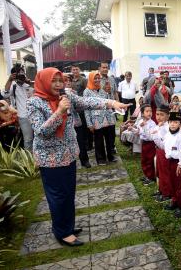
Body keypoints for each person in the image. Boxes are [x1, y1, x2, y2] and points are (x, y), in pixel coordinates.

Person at [27, 67, 129, 246]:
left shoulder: (65, 95)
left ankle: (67, 226)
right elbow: (42, 132)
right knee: (58, 196)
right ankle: (62, 232)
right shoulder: (34, 103)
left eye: (61, 80)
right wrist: (59, 112)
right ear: (43, 82)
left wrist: (112, 103)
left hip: (68, 155)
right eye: (54, 81)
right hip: (50, 160)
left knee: (68, 194)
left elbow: (86, 102)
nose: (59, 84)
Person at [83, 72, 117, 166]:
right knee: (99, 140)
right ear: (90, 79)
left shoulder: (102, 90)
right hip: (96, 120)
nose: (97, 80)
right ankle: (101, 159)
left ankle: (110, 156)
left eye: (98, 78)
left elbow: (109, 101)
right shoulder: (87, 91)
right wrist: (89, 123)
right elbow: (86, 108)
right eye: (95, 78)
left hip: (108, 118)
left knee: (109, 138)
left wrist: (109, 92)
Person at [3, 64, 34, 151]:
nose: (22, 75)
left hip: (35, 114)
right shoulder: (13, 85)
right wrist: (9, 80)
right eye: (19, 74)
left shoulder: (28, 84)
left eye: (23, 73)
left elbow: (39, 92)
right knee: (28, 139)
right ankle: (29, 161)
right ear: (14, 76)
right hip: (24, 116)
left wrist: (29, 82)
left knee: (37, 137)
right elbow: (5, 94)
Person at [64, 74, 91, 168]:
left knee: (81, 141)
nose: (68, 83)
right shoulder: (59, 94)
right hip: (65, 124)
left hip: (76, 121)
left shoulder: (74, 93)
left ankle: (85, 160)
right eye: (65, 81)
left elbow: (79, 108)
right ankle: (69, 163)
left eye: (69, 81)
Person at [164, 112, 181, 217]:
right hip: (170, 161)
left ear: (180, 124)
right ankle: (174, 200)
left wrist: (180, 163)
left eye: (176, 122)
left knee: (178, 184)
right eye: (171, 122)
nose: (172, 124)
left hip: (178, 163)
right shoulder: (168, 134)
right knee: (171, 182)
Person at [71, 64, 93, 151]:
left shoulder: (83, 80)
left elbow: (87, 92)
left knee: (85, 126)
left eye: (76, 69)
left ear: (79, 70)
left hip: (83, 106)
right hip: (74, 107)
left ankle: (89, 144)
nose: (75, 71)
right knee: (79, 127)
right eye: (73, 70)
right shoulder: (71, 81)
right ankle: (82, 144)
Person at [151, 105, 171, 199]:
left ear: (167, 116)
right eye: (157, 114)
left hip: (165, 152)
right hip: (159, 151)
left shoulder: (168, 128)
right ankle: (161, 189)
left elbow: (163, 144)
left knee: (164, 173)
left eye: (162, 115)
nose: (158, 117)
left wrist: (156, 133)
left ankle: (167, 193)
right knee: (159, 171)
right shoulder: (158, 125)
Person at [137, 104, 157, 185]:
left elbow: (150, 136)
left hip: (150, 144)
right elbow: (139, 132)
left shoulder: (152, 123)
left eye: (150, 111)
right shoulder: (141, 121)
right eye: (147, 111)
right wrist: (132, 129)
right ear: (142, 113)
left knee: (150, 160)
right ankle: (146, 174)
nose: (149, 113)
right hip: (144, 143)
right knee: (144, 159)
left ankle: (151, 177)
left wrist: (144, 127)